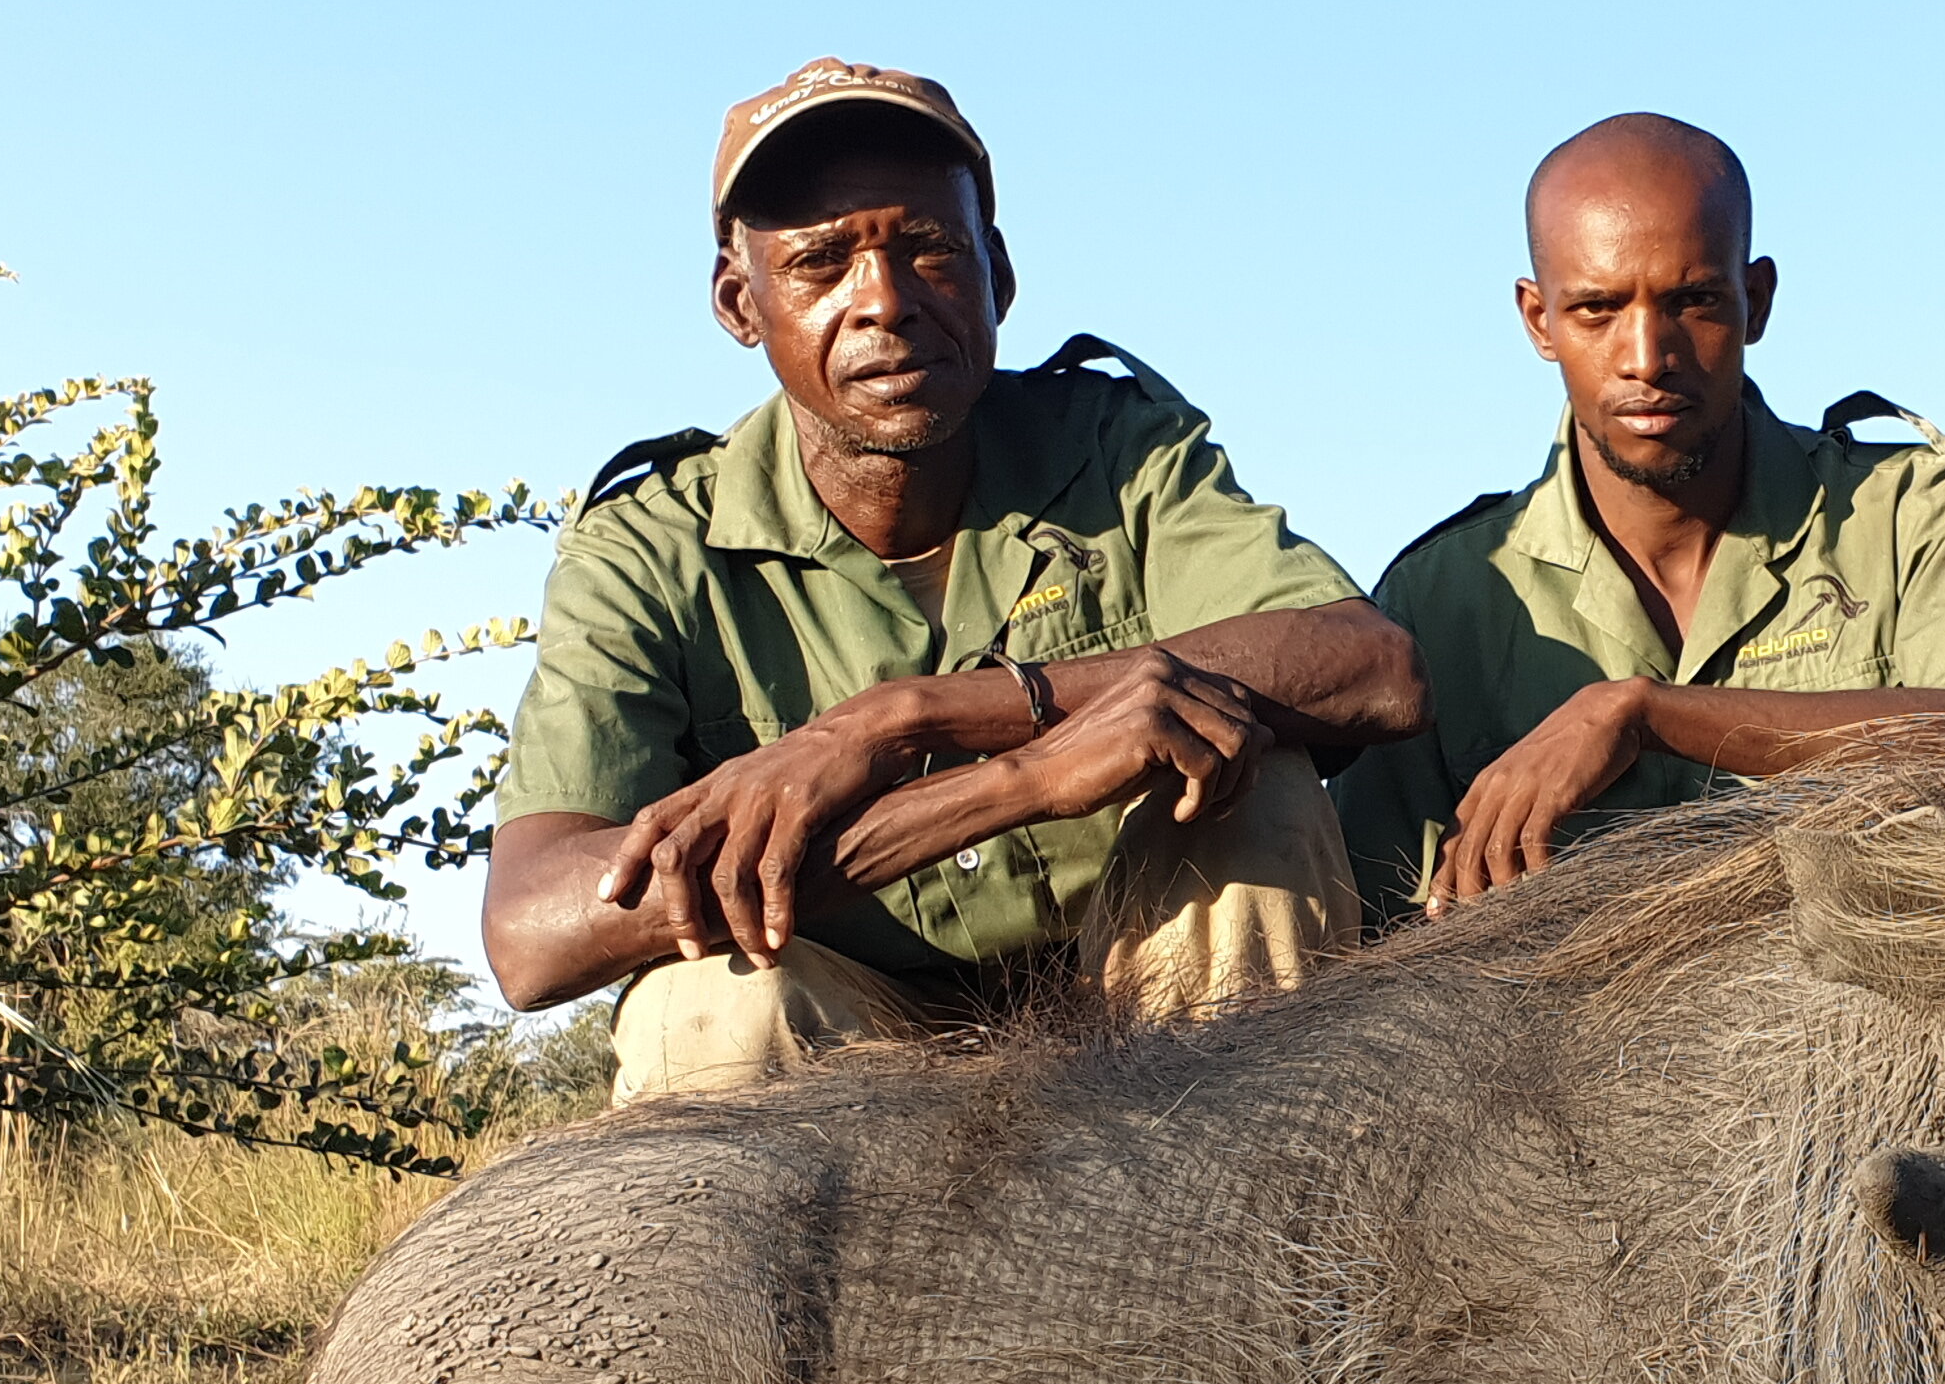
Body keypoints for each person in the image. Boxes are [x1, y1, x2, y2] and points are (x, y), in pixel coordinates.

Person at [483, 57, 1426, 1098]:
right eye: (821, 263)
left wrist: (904, 722)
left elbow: (1370, 665)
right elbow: (531, 934)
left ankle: (1263, 1234)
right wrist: (1016, 783)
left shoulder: (1116, 447)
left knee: (1262, 802)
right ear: (738, 303)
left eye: (928, 250)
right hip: (853, 1035)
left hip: (1145, 1010)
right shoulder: (653, 543)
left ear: (999, 277)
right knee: (707, 1007)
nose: (884, 302)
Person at [1333, 114, 1945, 923]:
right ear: (1539, 319)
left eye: (1693, 301)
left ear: (1756, 300)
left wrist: (1646, 715)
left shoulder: (1905, 512)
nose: (1647, 357)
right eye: (1598, 310)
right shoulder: (1443, 600)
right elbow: (1362, 943)